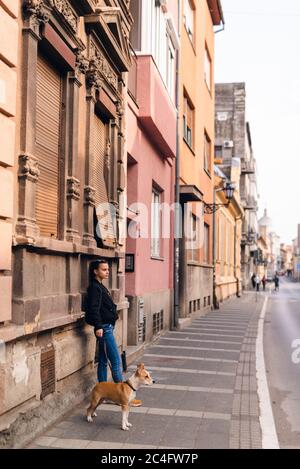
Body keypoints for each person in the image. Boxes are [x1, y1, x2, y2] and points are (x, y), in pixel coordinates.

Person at [86, 259, 142, 406]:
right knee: (116, 360)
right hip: (104, 328)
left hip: (107, 326)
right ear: (95, 271)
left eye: (107, 269)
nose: (107, 271)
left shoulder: (100, 286)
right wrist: (98, 326)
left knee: (104, 362)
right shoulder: (94, 288)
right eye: (104, 269)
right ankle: (123, 395)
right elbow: (93, 309)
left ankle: (104, 395)